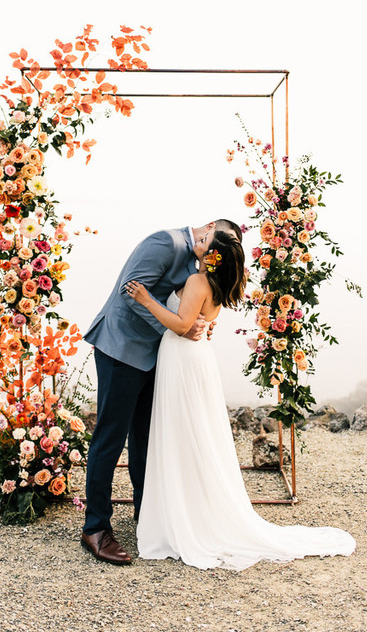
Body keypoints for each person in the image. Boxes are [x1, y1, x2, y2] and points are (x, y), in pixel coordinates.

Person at [126, 230, 357, 571]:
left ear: (212, 256)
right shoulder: (215, 283)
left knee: (182, 433)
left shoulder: (197, 282)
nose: (199, 240)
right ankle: (186, 508)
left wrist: (147, 299)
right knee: (193, 434)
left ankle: (184, 515)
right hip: (195, 359)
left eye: (206, 242)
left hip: (184, 359)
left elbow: (181, 324)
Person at [81, 219, 242, 565]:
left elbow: (195, 301)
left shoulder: (199, 263)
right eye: (215, 242)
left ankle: (147, 516)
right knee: (110, 439)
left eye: (218, 251)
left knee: (147, 440)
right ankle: (95, 528)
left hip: (158, 358)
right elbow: (131, 291)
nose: (212, 253)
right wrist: (179, 329)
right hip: (121, 350)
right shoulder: (164, 243)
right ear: (210, 226)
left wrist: (199, 323)